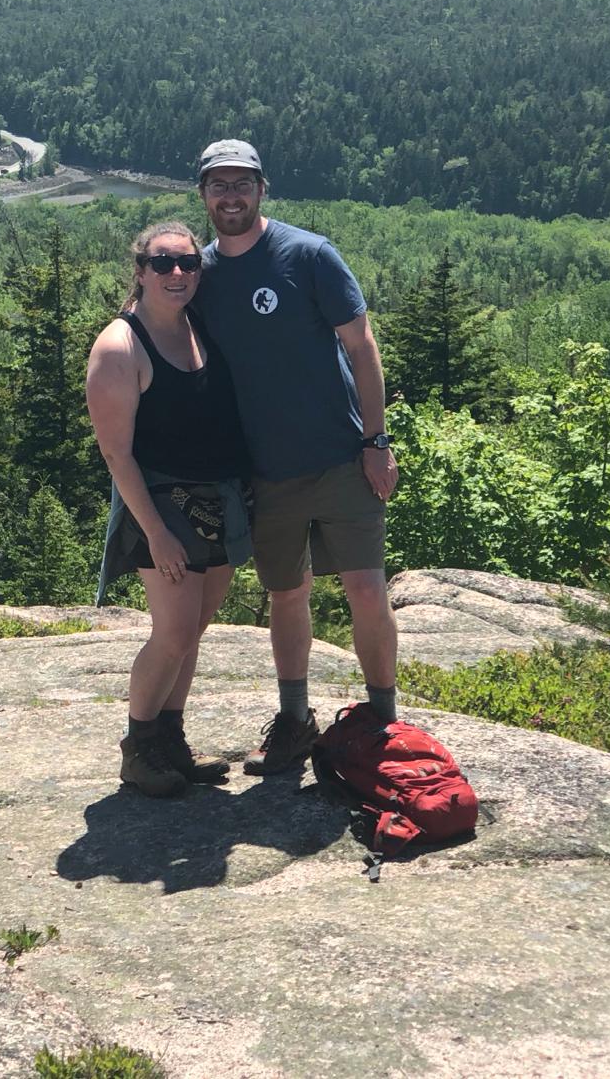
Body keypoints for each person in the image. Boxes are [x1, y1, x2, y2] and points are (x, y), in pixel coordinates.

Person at [191, 138, 401, 777]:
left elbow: (362, 347)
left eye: (241, 183)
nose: (231, 195)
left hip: (342, 455)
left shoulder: (308, 255)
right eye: (218, 185)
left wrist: (376, 441)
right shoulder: (198, 275)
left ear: (262, 189)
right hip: (265, 473)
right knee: (288, 594)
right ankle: (294, 720)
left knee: (366, 587)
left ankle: (384, 721)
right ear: (203, 196)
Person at [86, 220, 253, 798]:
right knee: (174, 630)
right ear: (140, 271)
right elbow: (116, 453)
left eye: (187, 263)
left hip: (219, 498)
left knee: (196, 628)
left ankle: (171, 741)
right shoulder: (120, 346)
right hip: (161, 504)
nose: (177, 273)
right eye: (162, 264)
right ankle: (139, 747)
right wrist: (154, 532)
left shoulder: (201, 328)